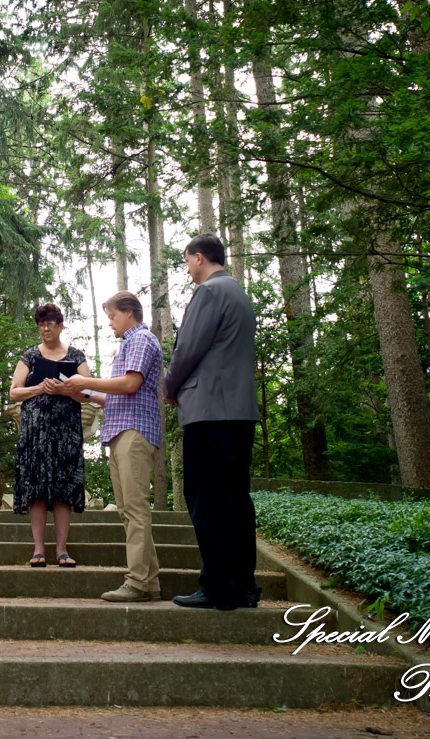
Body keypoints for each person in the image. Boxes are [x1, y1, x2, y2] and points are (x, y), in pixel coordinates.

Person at [162, 234, 262, 611]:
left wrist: (170, 387)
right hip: (239, 412)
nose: (188, 269)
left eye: (188, 261)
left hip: (209, 411)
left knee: (206, 497)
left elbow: (188, 347)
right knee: (236, 498)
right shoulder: (239, 293)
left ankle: (217, 587)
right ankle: (243, 586)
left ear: (200, 258)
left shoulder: (209, 292)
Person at [62, 292, 163, 602]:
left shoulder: (141, 340)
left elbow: (130, 384)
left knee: (134, 510)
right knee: (128, 511)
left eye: (112, 316)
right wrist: (88, 394)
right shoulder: (129, 345)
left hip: (135, 432)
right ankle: (150, 584)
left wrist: (86, 383)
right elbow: (121, 394)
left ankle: (136, 583)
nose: (109, 323)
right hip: (121, 431)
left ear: (129, 312)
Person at [8, 303, 91, 568]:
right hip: (35, 433)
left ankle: (63, 551)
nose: (45, 328)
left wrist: (64, 390)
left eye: (50, 324)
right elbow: (13, 392)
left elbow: (88, 392)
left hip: (66, 432)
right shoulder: (30, 356)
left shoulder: (76, 357)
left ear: (60, 325)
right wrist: (40, 388)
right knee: (38, 488)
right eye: (41, 324)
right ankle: (38, 550)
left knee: (64, 488)